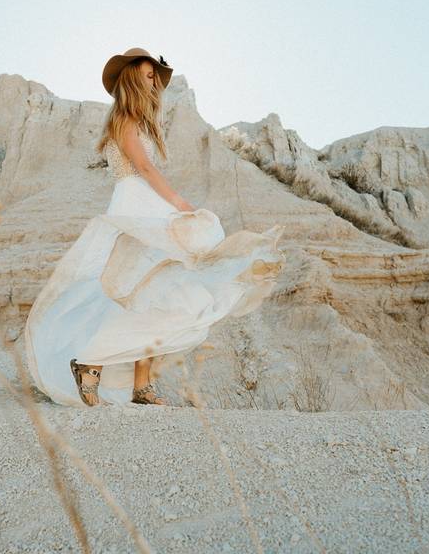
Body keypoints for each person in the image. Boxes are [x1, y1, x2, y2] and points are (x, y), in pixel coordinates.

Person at [23, 47, 285, 408]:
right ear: (132, 78)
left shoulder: (141, 123)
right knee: (134, 291)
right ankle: (90, 362)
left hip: (147, 204)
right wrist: (178, 203)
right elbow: (144, 169)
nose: (154, 83)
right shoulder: (124, 121)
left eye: (154, 78)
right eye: (148, 76)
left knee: (158, 292)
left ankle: (141, 386)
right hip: (135, 204)